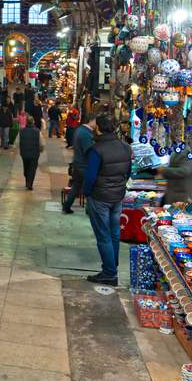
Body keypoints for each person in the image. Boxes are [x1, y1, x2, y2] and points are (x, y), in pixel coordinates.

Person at [82, 114, 132, 286]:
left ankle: (109, 273)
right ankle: (112, 266)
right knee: (114, 233)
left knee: (103, 235)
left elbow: (90, 177)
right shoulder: (125, 147)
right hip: (117, 196)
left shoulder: (97, 149)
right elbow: (128, 172)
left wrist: (87, 193)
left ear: (99, 128)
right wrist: (119, 186)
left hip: (100, 197)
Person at [63, 111, 97, 214]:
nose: (97, 124)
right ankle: (89, 210)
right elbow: (89, 150)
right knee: (90, 188)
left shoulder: (80, 130)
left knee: (76, 186)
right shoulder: (85, 133)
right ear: (91, 121)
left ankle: (67, 205)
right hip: (84, 165)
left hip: (78, 163)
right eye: (96, 122)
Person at [18, 115, 43, 190]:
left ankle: (27, 180)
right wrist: (41, 149)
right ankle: (30, 183)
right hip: (34, 153)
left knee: (26, 168)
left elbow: (18, 142)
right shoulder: (38, 131)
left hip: (24, 153)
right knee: (32, 168)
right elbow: (41, 143)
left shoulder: (21, 131)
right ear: (33, 122)